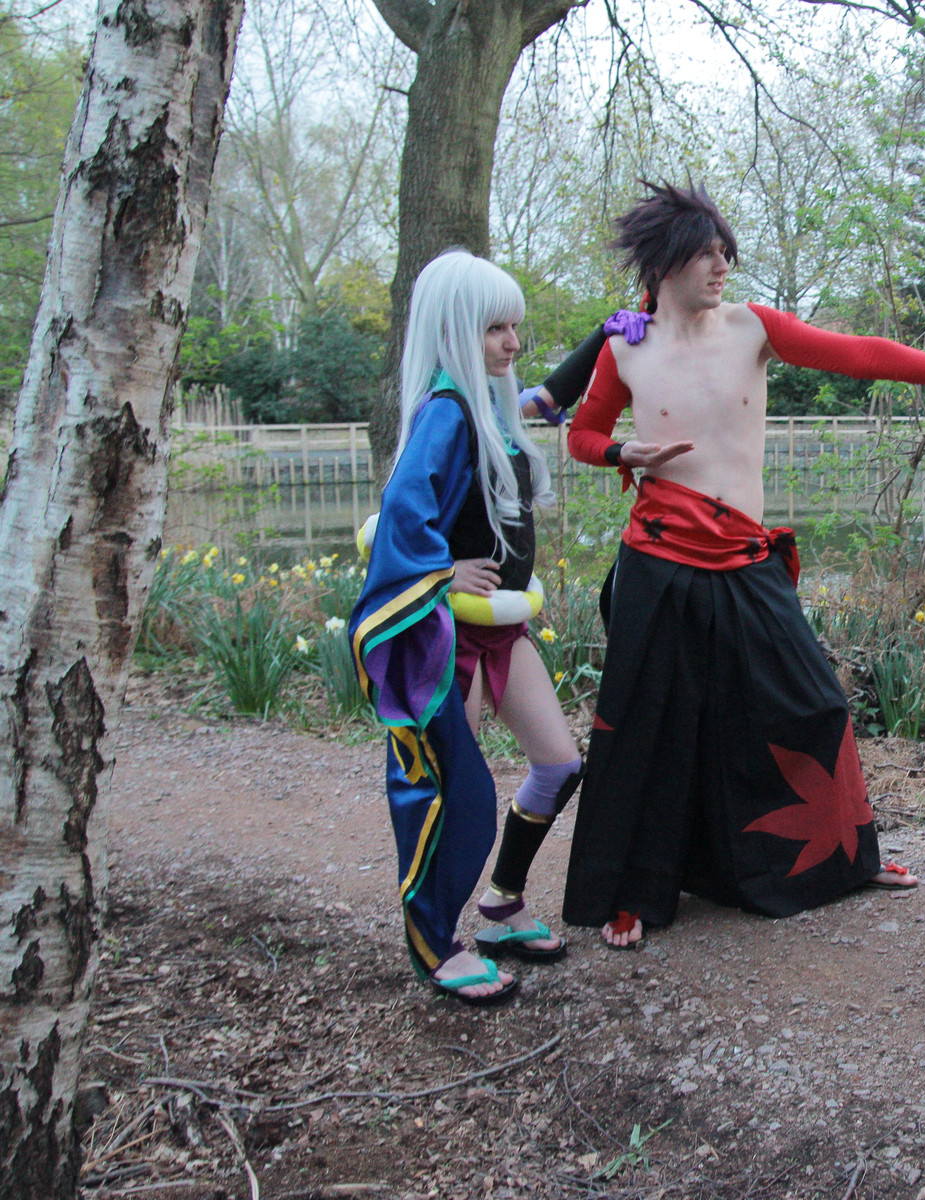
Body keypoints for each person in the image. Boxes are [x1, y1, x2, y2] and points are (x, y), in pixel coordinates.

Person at [557, 182, 925, 948]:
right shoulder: (625, 349)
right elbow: (579, 436)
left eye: (724, 252)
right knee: (649, 725)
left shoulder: (752, 327)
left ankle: (843, 858)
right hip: (657, 556)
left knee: (815, 702)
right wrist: (623, 452)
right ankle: (632, 894)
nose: (721, 265)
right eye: (706, 254)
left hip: (744, 552)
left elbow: (856, 354)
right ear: (666, 263)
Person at [350, 250, 582, 1006]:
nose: (512, 342)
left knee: (558, 764)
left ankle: (502, 906)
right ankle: (435, 943)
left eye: (514, 327)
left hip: (502, 631)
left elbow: (550, 397)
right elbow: (401, 511)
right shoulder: (447, 412)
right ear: (455, 329)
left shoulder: (490, 405)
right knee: (454, 790)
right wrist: (443, 574)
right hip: (451, 637)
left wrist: (619, 332)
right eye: (494, 329)